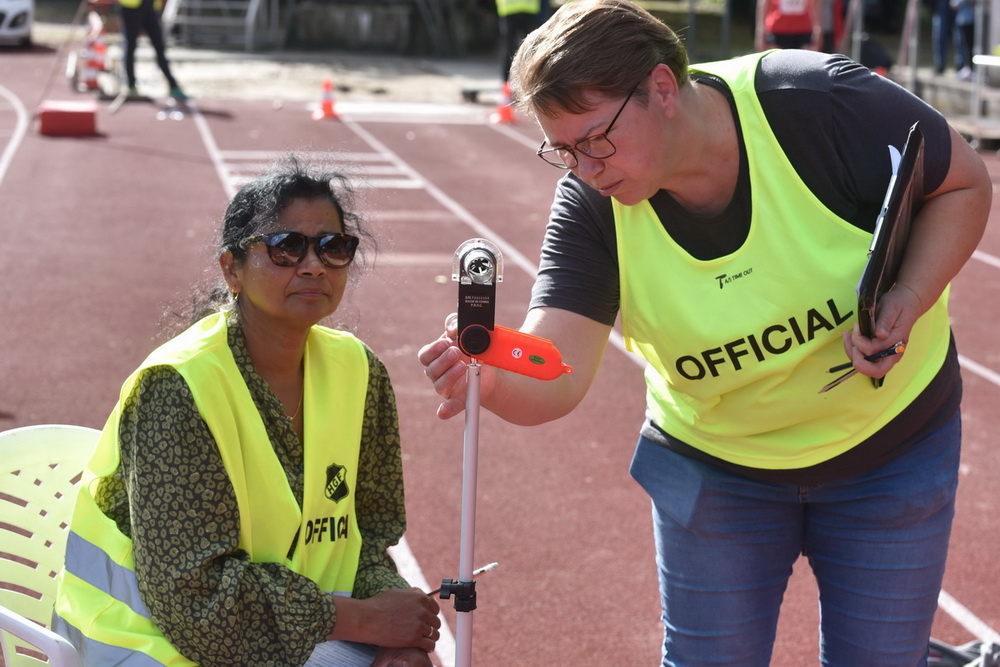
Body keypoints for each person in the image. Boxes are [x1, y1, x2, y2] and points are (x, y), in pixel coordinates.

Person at [417, 1, 992, 665]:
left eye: (595, 139)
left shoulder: (815, 100)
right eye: (562, 151)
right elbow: (556, 370)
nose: (585, 168)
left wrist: (909, 296)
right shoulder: (592, 203)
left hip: (888, 448)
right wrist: (487, 371)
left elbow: (963, 184)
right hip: (718, 466)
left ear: (663, 88)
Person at [53, 157, 441, 667]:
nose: (313, 265)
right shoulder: (177, 387)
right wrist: (366, 621)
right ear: (231, 268)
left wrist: (399, 627)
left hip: (282, 634)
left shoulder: (359, 372)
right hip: (147, 640)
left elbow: (367, 541)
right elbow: (197, 600)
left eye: (333, 247)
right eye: (286, 248)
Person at [118, 0, 187, 100]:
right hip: (131, 7)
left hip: (150, 7)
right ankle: (131, 85)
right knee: (131, 47)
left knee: (159, 47)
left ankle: (173, 86)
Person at [496, 0, 541, 84]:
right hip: (509, 9)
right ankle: (506, 84)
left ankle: (533, 80)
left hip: (529, 9)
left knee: (532, 48)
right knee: (509, 48)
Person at [754, 0, 822, 51]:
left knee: (805, 66)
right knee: (777, 65)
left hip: (804, 30)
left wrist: (818, 29)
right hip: (777, 31)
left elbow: (815, 4)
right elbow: (763, 4)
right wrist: (760, 32)